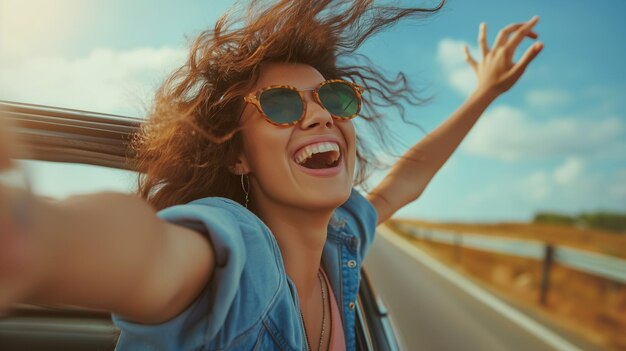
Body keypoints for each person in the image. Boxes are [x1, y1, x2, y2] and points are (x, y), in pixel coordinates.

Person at [0, 0, 542, 350]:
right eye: (280, 105)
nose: (319, 114)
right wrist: (33, 233)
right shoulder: (237, 246)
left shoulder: (343, 237)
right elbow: (151, 256)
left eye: (331, 97)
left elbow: (402, 182)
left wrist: (484, 93)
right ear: (238, 157)